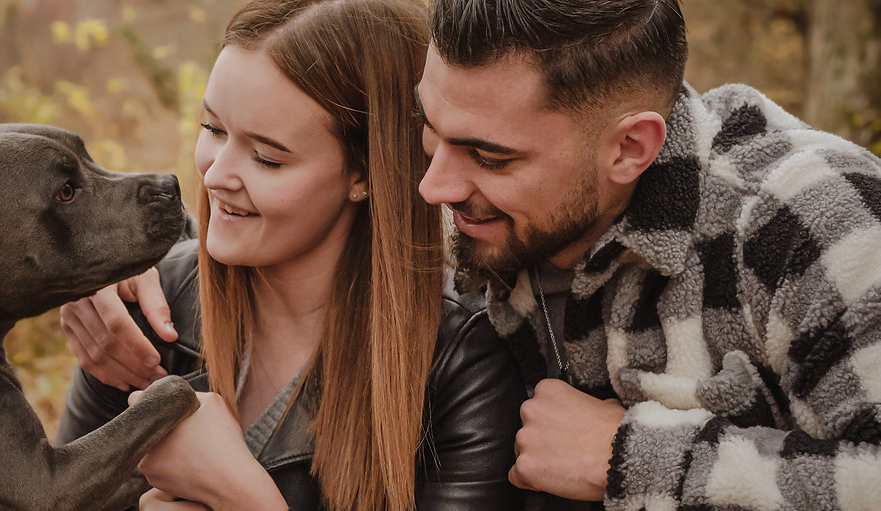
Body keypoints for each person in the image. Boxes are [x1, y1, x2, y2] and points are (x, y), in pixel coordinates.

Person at [54, 0, 526, 509]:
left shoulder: (464, 364)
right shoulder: (146, 307)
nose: (214, 175)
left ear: (365, 174)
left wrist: (244, 499)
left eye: (267, 158)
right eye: (213, 129)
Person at [417, 0, 881, 509]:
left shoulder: (814, 221)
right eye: (430, 129)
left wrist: (632, 460)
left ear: (630, 148)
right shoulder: (477, 215)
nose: (433, 186)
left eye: (489, 158)